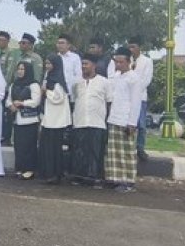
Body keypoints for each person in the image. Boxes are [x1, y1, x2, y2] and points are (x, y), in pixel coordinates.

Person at [69, 54, 110, 187]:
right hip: (80, 121)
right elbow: (74, 99)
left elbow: (109, 101)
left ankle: (95, 178)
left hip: (97, 122)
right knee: (79, 151)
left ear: (94, 65)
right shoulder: (77, 83)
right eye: (82, 64)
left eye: (86, 64)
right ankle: (79, 177)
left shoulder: (104, 82)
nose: (83, 66)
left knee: (96, 151)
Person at [106, 47, 143, 193]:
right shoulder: (115, 77)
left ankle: (128, 181)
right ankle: (115, 178)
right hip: (114, 118)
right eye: (116, 62)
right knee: (114, 152)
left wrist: (132, 123)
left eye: (121, 62)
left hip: (126, 120)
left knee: (126, 152)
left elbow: (136, 102)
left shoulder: (134, 79)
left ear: (128, 62)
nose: (118, 64)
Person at [38, 55, 72, 184]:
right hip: (49, 118)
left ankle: (55, 174)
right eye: (46, 63)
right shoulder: (48, 77)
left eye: (49, 64)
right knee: (46, 147)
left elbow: (58, 98)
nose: (47, 66)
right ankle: (47, 172)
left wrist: (46, 91)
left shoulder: (58, 80)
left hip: (57, 120)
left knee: (54, 148)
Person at [6, 62, 41, 180]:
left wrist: (22, 103)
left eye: (23, 69)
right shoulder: (14, 84)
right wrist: (11, 105)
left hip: (29, 119)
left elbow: (36, 101)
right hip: (17, 119)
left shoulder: (33, 85)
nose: (20, 71)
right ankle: (20, 168)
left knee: (29, 145)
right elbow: (8, 99)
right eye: (19, 69)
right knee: (19, 145)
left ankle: (29, 169)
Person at [128, 37, 153, 161]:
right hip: (127, 98)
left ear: (139, 48)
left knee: (141, 125)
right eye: (129, 47)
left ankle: (140, 148)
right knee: (128, 124)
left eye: (133, 47)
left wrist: (136, 91)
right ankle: (128, 147)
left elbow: (146, 80)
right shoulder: (127, 60)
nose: (131, 49)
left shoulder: (147, 61)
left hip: (140, 97)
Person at [0, 31, 17, 145]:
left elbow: (9, 73)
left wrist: (3, 88)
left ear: (7, 41)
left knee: (6, 114)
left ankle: (6, 137)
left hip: (5, 90)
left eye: (2, 40)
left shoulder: (10, 54)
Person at [56, 34, 83, 111]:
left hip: (70, 94)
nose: (60, 45)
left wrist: (76, 93)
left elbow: (78, 75)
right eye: (58, 43)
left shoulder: (75, 57)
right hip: (57, 94)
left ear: (68, 45)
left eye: (62, 43)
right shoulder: (55, 58)